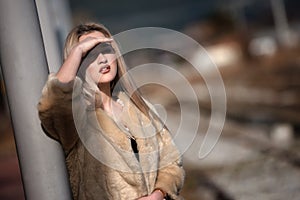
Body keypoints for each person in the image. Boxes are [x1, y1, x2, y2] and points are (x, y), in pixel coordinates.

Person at [38, 22, 185, 200]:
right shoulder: (78, 118)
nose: (102, 59)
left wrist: (158, 194)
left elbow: (171, 163)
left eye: (106, 49)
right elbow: (55, 102)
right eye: (90, 53)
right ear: (78, 63)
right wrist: (77, 51)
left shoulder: (139, 107)